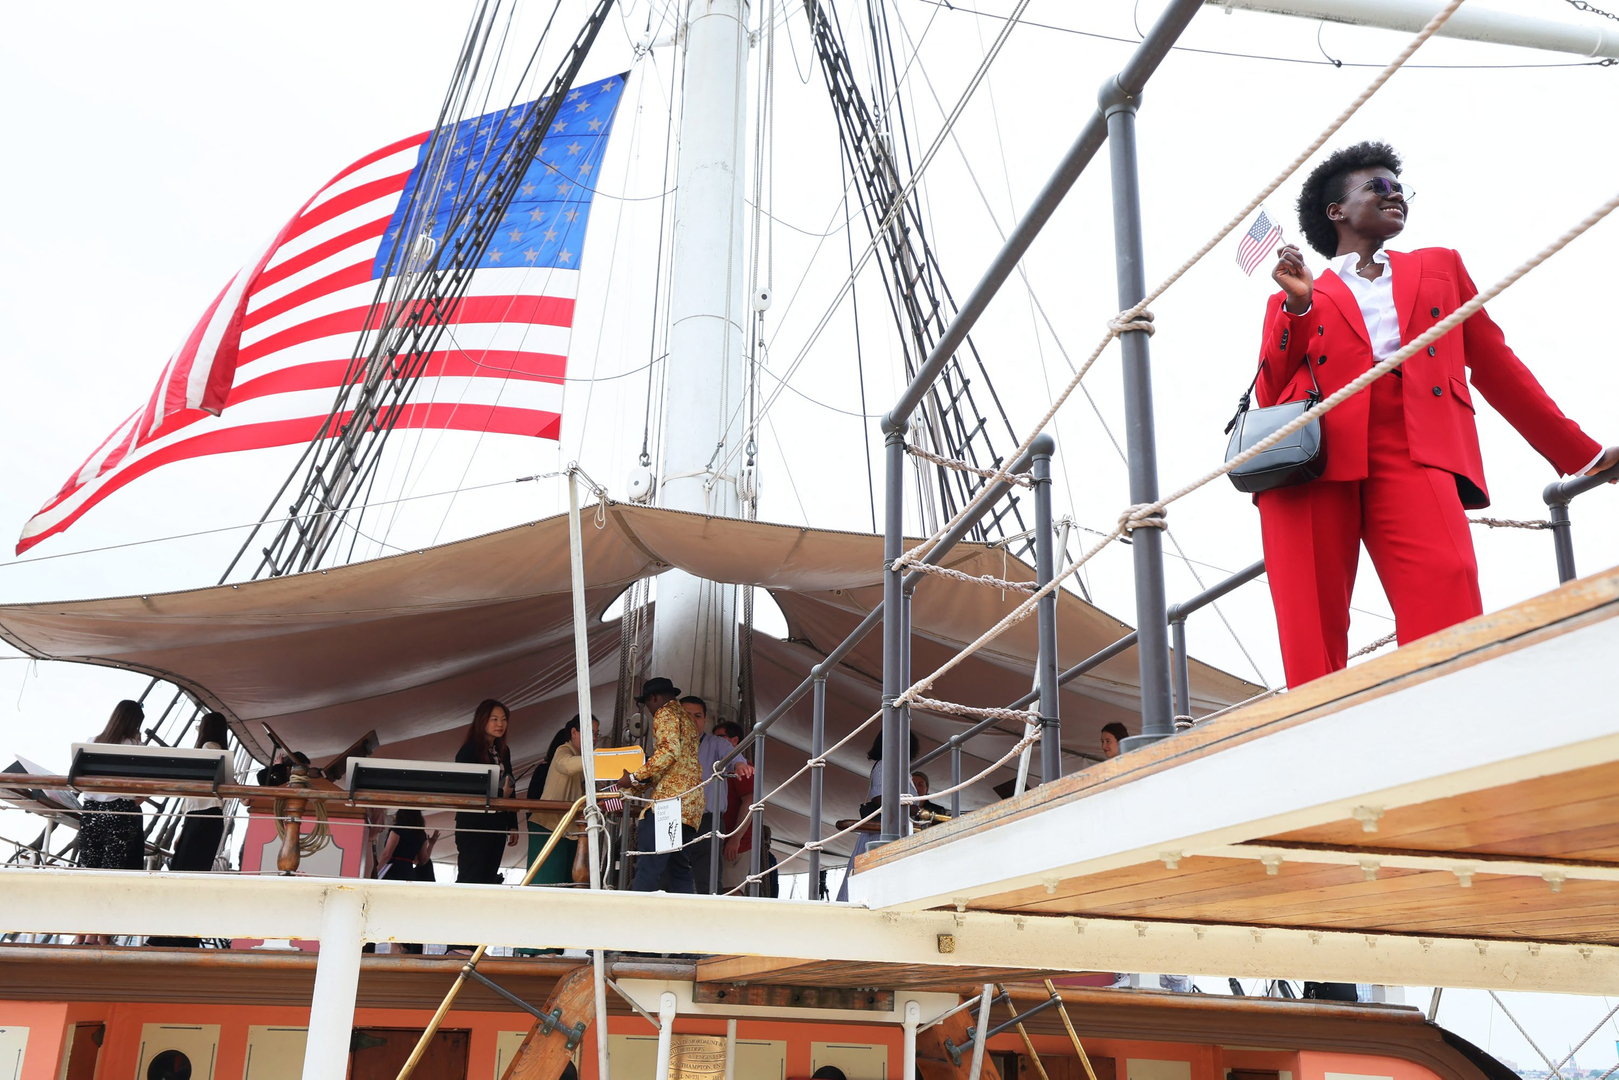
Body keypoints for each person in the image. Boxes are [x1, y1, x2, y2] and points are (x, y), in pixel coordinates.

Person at [1256, 141, 1616, 688]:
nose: (1395, 194)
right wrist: (1299, 308)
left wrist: (1581, 453)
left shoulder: (1438, 267)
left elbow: (1496, 365)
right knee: (1310, 619)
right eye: (1378, 186)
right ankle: (1318, 735)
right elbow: (1270, 393)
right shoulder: (1299, 294)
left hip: (1414, 441)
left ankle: (1451, 712)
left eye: (1400, 187)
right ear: (1337, 211)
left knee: (1449, 579)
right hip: (1314, 458)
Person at [626, 678, 703, 892]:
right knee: (679, 868)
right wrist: (631, 787)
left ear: (653, 698)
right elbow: (671, 765)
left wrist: (632, 777)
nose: (649, 711)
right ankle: (685, 911)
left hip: (668, 803)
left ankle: (636, 910)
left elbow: (668, 753)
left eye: (647, 704)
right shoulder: (686, 719)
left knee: (649, 865)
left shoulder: (664, 713)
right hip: (690, 805)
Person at [834, 731, 919, 902]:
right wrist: (910, 807)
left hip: (897, 830)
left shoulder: (901, 769)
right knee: (872, 885)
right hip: (882, 833)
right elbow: (880, 798)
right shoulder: (884, 765)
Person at [684, 696, 755, 893]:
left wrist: (739, 764)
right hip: (672, 817)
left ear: (705, 720)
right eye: (687, 715)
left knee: (710, 880)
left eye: (698, 716)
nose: (692, 720)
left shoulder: (716, 745)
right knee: (671, 873)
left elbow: (733, 757)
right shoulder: (667, 744)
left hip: (708, 820)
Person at [76, 700, 147, 873]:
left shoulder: (91, 742)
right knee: (112, 869)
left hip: (91, 812)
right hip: (120, 812)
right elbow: (144, 786)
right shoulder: (136, 746)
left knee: (87, 867)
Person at [454, 698, 517, 886]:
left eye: (503, 719)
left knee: (489, 878)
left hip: (497, 824)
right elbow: (466, 788)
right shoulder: (468, 751)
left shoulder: (503, 750)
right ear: (482, 720)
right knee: (471, 876)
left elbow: (510, 784)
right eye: (494, 719)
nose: (500, 724)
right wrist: (500, 794)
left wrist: (513, 824)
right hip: (474, 824)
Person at [528, 716, 586, 885]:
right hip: (550, 825)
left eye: (597, 734)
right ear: (573, 733)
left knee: (567, 883)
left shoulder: (581, 761)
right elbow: (566, 764)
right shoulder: (563, 750)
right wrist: (600, 759)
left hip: (569, 828)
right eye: (591, 733)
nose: (594, 738)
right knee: (547, 883)